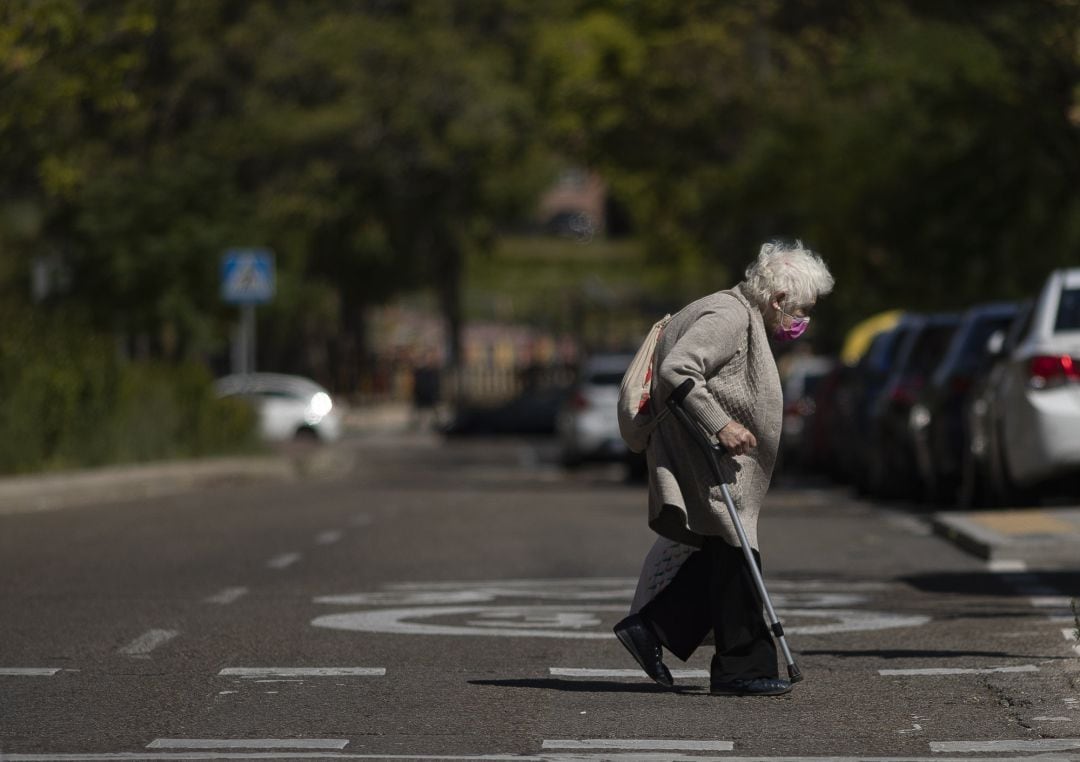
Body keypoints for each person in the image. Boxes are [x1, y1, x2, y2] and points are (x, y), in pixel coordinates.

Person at [613, 240, 834, 697]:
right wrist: (723, 424)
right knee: (739, 558)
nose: (800, 320)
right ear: (777, 299)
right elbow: (679, 370)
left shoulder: (734, 310)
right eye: (800, 309)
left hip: (709, 456)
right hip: (710, 457)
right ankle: (741, 670)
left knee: (727, 556)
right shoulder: (730, 316)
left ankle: (653, 630)